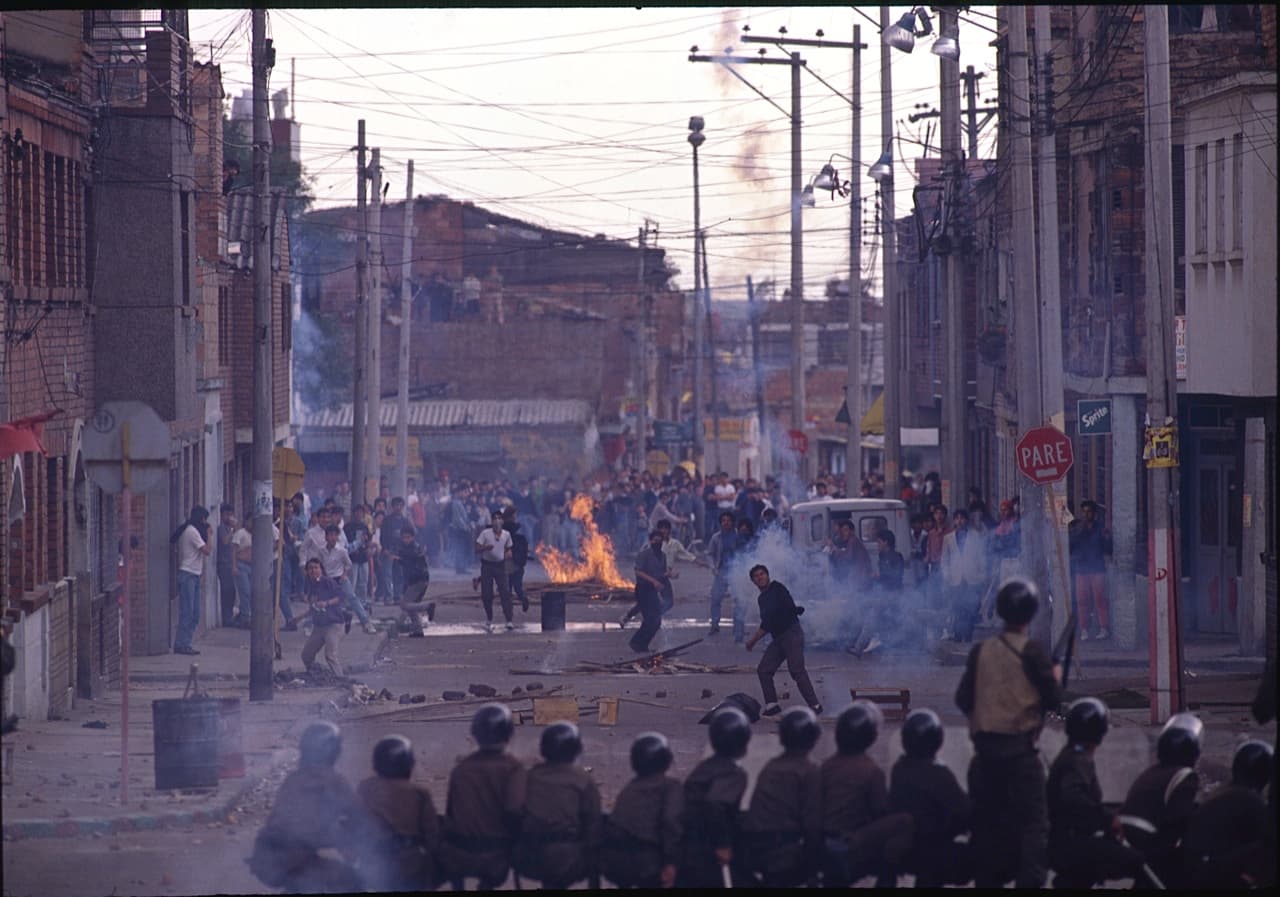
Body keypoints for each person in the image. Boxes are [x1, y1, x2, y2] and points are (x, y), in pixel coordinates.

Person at [954, 576, 1062, 889]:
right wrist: (1053, 679)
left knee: (986, 827)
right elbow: (1054, 700)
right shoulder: (1032, 652)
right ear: (1030, 615)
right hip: (1020, 757)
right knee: (1033, 827)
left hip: (985, 756)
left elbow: (963, 699)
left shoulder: (981, 651)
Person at [247, 721, 367, 894]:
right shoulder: (333, 781)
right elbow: (357, 816)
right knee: (353, 881)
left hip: (267, 858)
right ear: (333, 752)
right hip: (297, 859)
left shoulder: (293, 780)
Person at [1047, 697, 1150, 888]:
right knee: (1137, 861)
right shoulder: (1077, 760)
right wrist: (1107, 819)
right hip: (1069, 843)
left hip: (1064, 841)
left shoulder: (1072, 754)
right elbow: (1074, 798)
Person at [819, 701, 913, 887]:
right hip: (849, 842)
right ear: (870, 737)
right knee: (903, 821)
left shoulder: (826, 766)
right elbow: (880, 810)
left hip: (823, 841)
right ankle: (886, 880)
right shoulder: (870, 770)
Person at [438, 703, 527, 891]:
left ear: (476, 734)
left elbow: (451, 814)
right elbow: (514, 811)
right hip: (496, 855)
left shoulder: (460, 770)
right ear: (509, 734)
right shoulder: (513, 769)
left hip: (459, 854)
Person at [740, 707, 824, 887]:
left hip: (756, 850)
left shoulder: (772, 766)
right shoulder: (809, 771)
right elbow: (813, 824)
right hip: (784, 852)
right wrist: (813, 871)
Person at [512, 722, 603, 889]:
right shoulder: (583, 780)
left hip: (531, 857)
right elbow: (593, 822)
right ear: (576, 750)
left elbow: (514, 814)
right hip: (570, 858)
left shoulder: (529, 777)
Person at [889, 708, 972, 887]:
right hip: (935, 849)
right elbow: (964, 810)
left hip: (906, 848)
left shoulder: (900, 768)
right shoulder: (939, 774)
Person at [1118, 712, 1203, 885]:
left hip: (1126, 837)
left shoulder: (1151, 771)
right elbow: (1180, 818)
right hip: (1150, 842)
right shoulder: (1185, 775)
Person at [1182, 740, 1276, 890]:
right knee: (1268, 848)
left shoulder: (1223, 791)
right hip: (1209, 872)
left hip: (1195, 865)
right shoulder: (1250, 800)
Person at [598, 733, 683, 889]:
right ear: (667, 760)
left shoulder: (629, 789)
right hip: (648, 862)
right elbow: (671, 824)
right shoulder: (670, 787)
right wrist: (671, 862)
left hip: (617, 862)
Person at [355, 735, 439, 892]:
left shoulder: (365, 788)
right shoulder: (419, 793)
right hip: (409, 862)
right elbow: (432, 835)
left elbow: (355, 825)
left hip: (375, 861)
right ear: (408, 764)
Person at [678, 706, 750, 888]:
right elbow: (715, 804)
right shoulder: (733, 773)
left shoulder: (705, 767)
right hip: (702, 850)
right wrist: (723, 845)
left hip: (685, 845)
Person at [744, 564, 823, 718]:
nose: (760, 578)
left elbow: (770, 619)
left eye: (762, 574)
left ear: (768, 575)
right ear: (753, 581)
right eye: (756, 576)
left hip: (791, 633)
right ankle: (772, 705)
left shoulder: (777, 588)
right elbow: (768, 621)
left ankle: (815, 705)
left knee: (796, 670)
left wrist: (753, 641)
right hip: (779, 637)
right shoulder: (762, 599)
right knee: (764, 670)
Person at [319, 524, 377, 634]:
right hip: (327, 579)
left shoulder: (341, 550)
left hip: (340, 578)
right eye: (330, 535)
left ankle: (366, 623)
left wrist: (345, 574)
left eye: (334, 535)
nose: (332, 538)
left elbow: (348, 564)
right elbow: (320, 564)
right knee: (327, 602)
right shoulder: (321, 551)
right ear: (326, 537)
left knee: (352, 598)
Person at [941, 507, 988, 642]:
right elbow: (944, 560)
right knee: (957, 608)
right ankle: (957, 635)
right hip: (955, 579)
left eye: (962, 518)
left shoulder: (976, 536)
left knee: (971, 609)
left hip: (972, 578)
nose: (959, 521)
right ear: (954, 521)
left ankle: (967, 636)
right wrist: (946, 575)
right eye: (957, 518)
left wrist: (982, 575)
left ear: (966, 520)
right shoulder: (948, 538)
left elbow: (982, 557)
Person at [1069, 500, 1113, 639]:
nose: (1086, 514)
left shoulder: (1100, 529)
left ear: (1094, 513)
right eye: (1084, 511)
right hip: (1081, 568)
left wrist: (1106, 538)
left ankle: (1104, 628)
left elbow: (1108, 549)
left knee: (1100, 599)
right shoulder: (1077, 528)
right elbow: (1071, 546)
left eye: (1089, 511)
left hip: (1097, 568)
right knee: (1082, 601)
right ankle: (1084, 629)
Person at [171, 506, 212, 656]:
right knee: (188, 612)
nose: (205, 523)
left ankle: (185, 642)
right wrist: (209, 534)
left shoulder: (191, 530)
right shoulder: (191, 531)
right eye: (204, 519)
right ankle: (182, 644)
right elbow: (207, 550)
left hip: (194, 575)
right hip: (188, 574)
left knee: (195, 613)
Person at [300, 559, 348, 676]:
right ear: (307, 571)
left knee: (330, 655)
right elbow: (313, 607)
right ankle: (317, 675)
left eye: (316, 568)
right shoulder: (309, 585)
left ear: (321, 570)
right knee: (306, 655)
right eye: (311, 568)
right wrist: (298, 619)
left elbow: (341, 596)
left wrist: (327, 603)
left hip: (334, 625)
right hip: (319, 626)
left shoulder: (327, 582)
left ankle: (340, 679)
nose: (313, 570)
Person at [629, 530, 668, 654]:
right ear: (650, 541)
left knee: (657, 620)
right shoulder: (644, 554)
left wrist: (667, 576)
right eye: (654, 540)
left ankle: (642, 644)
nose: (657, 543)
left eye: (659, 540)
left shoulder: (663, 556)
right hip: (643, 589)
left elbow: (660, 573)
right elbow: (638, 571)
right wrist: (653, 581)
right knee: (650, 619)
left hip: (653, 591)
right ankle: (636, 642)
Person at [474, 511, 515, 632]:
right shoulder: (485, 534)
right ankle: (489, 619)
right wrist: (485, 548)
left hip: (500, 566)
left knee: (505, 593)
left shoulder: (506, 535)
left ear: (502, 521)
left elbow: (508, 548)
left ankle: (509, 620)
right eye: (494, 519)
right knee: (487, 593)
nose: (497, 521)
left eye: (499, 518)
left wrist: (508, 554)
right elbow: (476, 548)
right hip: (487, 566)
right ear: (491, 521)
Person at [393, 525, 435, 636]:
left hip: (418, 580)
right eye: (404, 537)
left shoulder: (412, 549)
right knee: (412, 605)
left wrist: (400, 560)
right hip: (418, 580)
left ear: (412, 537)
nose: (406, 540)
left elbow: (410, 562)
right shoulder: (409, 548)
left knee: (404, 604)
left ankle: (427, 606)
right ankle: (418, 630)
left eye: (408, 537)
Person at [706, 511, 739, 637]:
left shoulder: (738, 536)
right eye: (723, 520)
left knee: (738, 599)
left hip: (736, 572)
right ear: (720, 522)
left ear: (732, 522)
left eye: (728, 520)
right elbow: (709, 554)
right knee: (715, 599)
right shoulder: (716, 537)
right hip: (721, 571)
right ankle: (714, 625)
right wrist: (713, 567)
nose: (726, 523)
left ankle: (738, 628)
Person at [501, 507, 530, 614]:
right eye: (514, 514)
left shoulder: (504, 530)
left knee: (508, 589)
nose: (515, 516)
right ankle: (522, 599)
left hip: (509, 565)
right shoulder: (515, 530)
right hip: (516, 565)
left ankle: (509, 610)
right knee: (517, 588)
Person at [215, 504, 238, 628]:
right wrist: (233, 529)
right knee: (226, 591)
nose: (229, 517)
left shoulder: (229, 529)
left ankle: (229, 616)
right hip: (223, 563)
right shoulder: (221, 528)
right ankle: (226, 617)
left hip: (230, 563)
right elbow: (224, 541)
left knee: (232, 592)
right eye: (227, 515)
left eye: (231, 515)